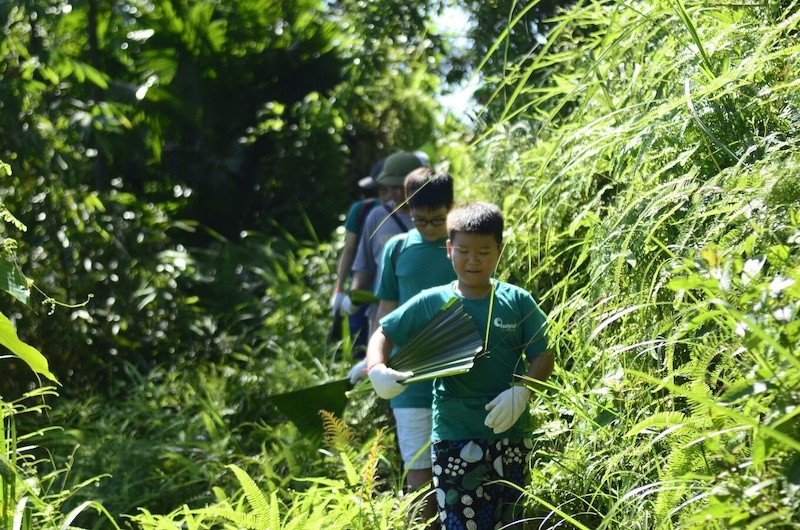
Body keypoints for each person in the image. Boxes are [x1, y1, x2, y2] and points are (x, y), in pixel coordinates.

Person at [366, 202, 555, 530]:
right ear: (449, 249)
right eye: (464, 251)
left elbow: (544, 353)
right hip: (454, 436)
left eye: (484, 251)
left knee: (511, 523)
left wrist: (523, 391)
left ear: (499, 251)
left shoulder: (517, 300)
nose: (473, 260)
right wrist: (376, 369)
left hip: (510, 433)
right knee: (459, 523)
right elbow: (384, 332)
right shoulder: (432, 301)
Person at [349, 167, 456, 525]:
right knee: (418, 468)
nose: (428, 228)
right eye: (419, 220)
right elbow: (386, 313)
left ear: (451, 207)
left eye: (437, 220)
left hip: (460, 373)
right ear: (407, 208)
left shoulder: (463, 245)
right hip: (409, 376)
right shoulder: (396, 249)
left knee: (462, 466)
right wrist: (373, 361)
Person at [344, 151, 428, 335]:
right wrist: (354, 294)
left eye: (401, 187)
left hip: (424, 314)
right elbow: (364, 265)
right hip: (382, 315)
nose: (395, 194)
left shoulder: (433, 216)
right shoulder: (377, 216)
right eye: (390, 188)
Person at [330, 158, 387, 355]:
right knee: (360, 349)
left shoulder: (412, 212)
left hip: (387, 294)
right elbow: (349, 249)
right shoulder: (362, 209)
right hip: (362, 292)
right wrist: (339, 289)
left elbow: (349, 248)